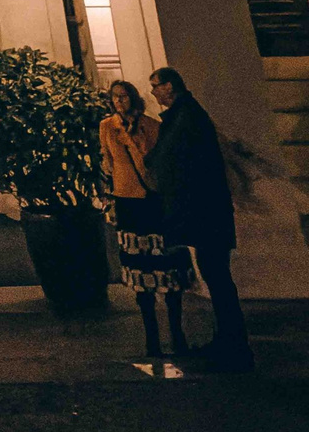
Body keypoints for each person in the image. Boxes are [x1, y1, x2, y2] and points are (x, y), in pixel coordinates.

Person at [147, 67, 251, 372]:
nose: (153, 92)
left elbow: (173, 159)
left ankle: (233, 342)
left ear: (170, 86)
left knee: (217, 276)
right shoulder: (187, 114)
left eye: (156, 86)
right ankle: (227, 338)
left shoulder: (186, 117)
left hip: (206, 212)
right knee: (216, 275)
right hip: (208, 211)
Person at [101, 80, 193, 359]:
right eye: (115, 97)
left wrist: (136, 140)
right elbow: (107, 161)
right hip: (128, 202)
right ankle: (151, 337)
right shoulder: (107, 127)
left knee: (167, 268)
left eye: (124, 96)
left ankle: (177, 334)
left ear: (133, 98)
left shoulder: (152, 126)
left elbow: (160, 161)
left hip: (154, 200)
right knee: (140, 272)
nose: (119, 101)